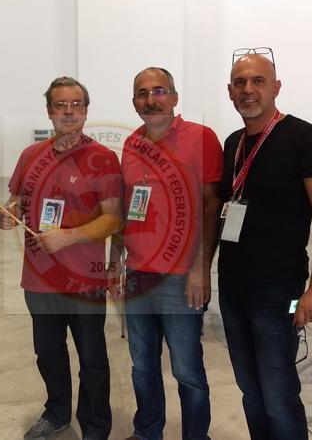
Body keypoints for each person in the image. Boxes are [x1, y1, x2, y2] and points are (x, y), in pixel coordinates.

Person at [217, 49, 312, 439]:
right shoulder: (233, 143)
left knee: (278, 392)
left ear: (276, 87)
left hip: (279, 290)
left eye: (258, 81)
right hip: (232, 285)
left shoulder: (305, 138)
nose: (248, 90)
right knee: (249, 389)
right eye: (240, 83)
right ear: (230, 91)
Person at [0, 76, 122, 440]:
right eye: (61, 105)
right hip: (39, 280)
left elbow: (113, 219)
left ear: (86, 110)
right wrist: (6, 216)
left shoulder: (103, 159)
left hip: (83, 281)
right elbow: (16, 202)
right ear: (49, 111)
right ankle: (56, 413)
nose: (69, 111)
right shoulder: (30, 156)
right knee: (48, 354)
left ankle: (95, 425)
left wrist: (69, 236)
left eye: (76, 104)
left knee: (92, 359)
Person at [110, 67, 223, 440]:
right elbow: (127, 207)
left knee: (186, 369)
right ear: (134, 103)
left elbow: (212, 206)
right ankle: (147, 433)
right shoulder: (132, 144)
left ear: (174, 97)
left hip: (180, 277)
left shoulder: (201, 138)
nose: (151, 99)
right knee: (142, 366)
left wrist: (200, 269)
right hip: (138, 275)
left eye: (159, 91)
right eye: (142, 93)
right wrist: (115, 262)